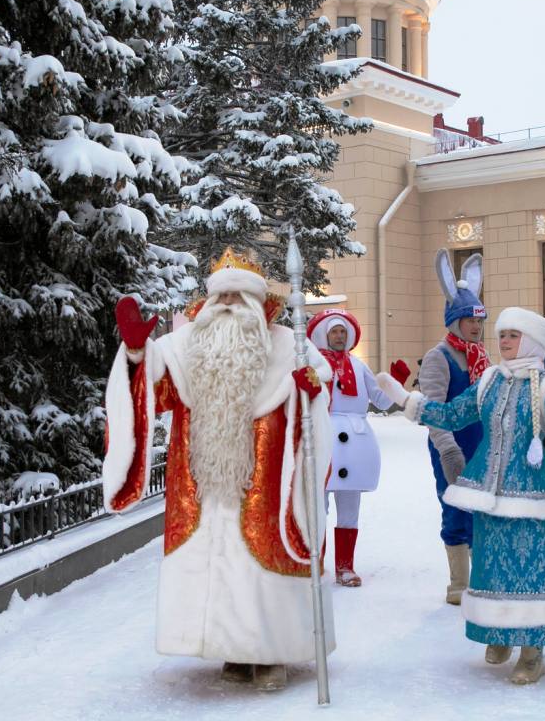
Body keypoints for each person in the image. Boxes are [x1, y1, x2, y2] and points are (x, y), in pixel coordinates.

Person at [102, 248, 334, 691]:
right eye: (221, 294)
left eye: (238, 295)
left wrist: (311, 389)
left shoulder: (289, 346)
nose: (228, 302)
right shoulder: (182, 347)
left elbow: (319, 395)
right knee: (218, 566)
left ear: (258, 302)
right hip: (203, 485)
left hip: (266, 482)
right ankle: (231, 650)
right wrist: (135, 354)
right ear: (207, 302)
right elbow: (157, 393)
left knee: (259, 567)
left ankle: (271, 655)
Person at [376, 307, 545, 685]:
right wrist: (410, 402)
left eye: (512, 335)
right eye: (502, 334)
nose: (503, 341)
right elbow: (454, 414)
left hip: (533, 495)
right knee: (494, 566)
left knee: (532, 571)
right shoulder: (490, 380)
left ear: (532, 341)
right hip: (488, 492)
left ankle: (532, 648)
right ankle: (500, 632)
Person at [307, 308, 409, 587]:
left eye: (342, 332)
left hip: (354, 445)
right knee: (316, 506)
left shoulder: (358, 366)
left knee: (350, 507)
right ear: (324, 335)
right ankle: (313, 564)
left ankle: (345, 567)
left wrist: (395, 380)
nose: (339, 337)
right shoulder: (314, 364)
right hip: (322, 439)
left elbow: (382, 401)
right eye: (334, 332)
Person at [420, 251, 489, 605]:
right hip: (452, 447)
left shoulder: (482, 356)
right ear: (454, 321)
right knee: (455, 510)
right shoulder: (439, 356)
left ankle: (483, 580)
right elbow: (432, 409)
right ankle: (458, 585)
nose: (476, 327)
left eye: (480, 321)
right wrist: (447, 448)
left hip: (482, 447)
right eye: (470, 321)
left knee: (482, 511)